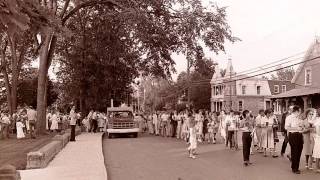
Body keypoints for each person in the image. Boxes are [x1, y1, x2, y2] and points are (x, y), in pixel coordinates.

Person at [285, 105, 304, 174]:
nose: (300, 112)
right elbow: (286, 127)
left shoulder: (299, 118)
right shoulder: (289, 117)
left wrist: (302, 126)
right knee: (295, 151)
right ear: (296, 111)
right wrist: (296, 128)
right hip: (293, 135)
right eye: (300, 111)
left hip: (300, 135)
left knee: (299, 150)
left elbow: (301, 126)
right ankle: (294, 168)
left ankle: (296, 167)